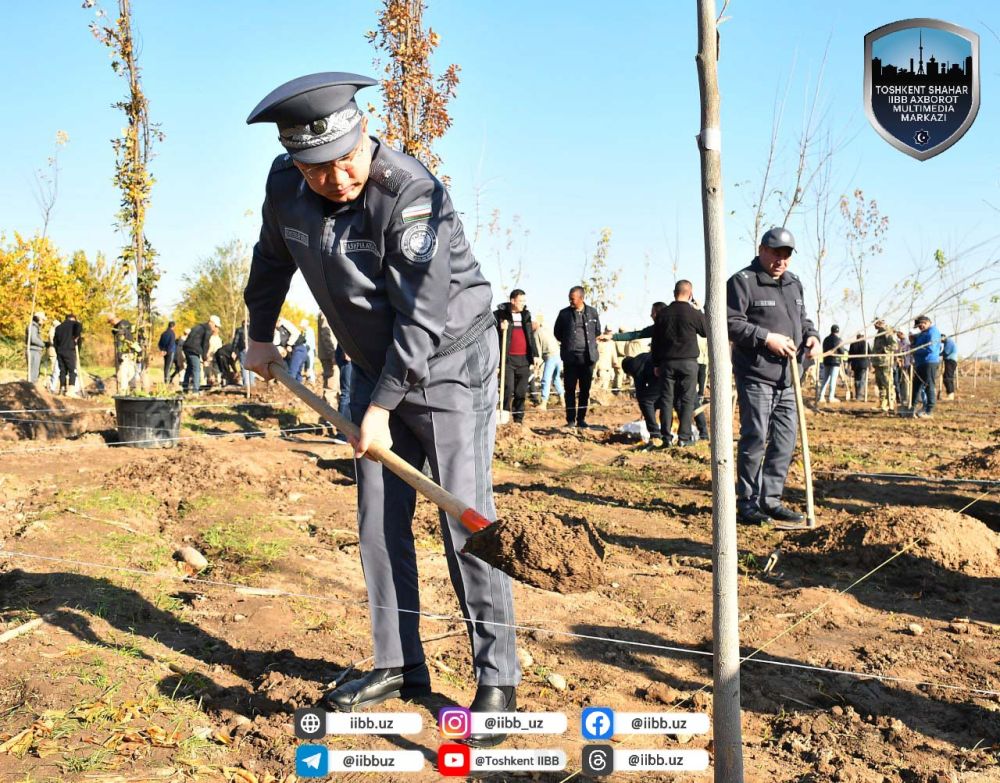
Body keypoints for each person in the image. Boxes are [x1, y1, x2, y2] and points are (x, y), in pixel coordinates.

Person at [242, 72, 518, 744]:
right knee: (377, 518)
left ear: (364, 133)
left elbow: (422, 317)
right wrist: (259, 332)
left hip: (450, 362)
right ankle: (399, 663)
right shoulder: (285, 188)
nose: (336, 179)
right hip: (371, 365)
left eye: (346, 161)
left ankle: (498, 679)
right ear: (293, 161)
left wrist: (380, 408)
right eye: (317, 169)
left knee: (464, 517)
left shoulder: (411, 194)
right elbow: (271, 260)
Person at [727, 227, 820, 530]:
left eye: (786, 255)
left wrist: (813, 337)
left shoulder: (794, 283)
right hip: (756, 375)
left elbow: (803, 320)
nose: (781, 261)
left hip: (790, 378)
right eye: (776, 254)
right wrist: (766, 338)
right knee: (755, 437)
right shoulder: (743, 282)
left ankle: (771, 499)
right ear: (761, 250)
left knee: (784, 440)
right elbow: (730, 323)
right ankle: (748, 502)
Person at [651, 280, 707, 447]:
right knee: (688, 400)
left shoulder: (663, 314)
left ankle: (666, 438)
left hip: (667, 363)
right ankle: (684, 438)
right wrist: (699, 310)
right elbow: (705, 331)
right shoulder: (693, 313)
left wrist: (656, 364)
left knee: (666, 400)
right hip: (689, 362)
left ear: (674, 293)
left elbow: (655, 341)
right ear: (690, 294)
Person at [553, 286, 601, 429]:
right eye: (569, 298)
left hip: (588, 358)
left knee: (585, 390)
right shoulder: (564, 314)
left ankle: (581, 419)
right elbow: (557, 333)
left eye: (572, 299)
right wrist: (569, 342)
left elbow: (597, 331)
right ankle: (570, 420)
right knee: (570, 389)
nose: (570, 301)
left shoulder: (592, 312)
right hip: (570, 358)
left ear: (581, 298)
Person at [494, 289, 538, 425]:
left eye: (524, 301)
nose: (523, 303)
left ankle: (518, 419)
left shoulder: (526, 315)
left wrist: (535, 355)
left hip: (524, 359)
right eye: (521, 301)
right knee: (508, 389)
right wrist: (499, 327)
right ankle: (504, 416)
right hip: (508, 359)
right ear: (513, 301)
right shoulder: (500, 314)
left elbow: (530, 336)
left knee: (521, 391)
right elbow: (490, 332)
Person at [621, 352, 660, 448]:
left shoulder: (634, 367)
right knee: (666, 403)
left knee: (646, 401)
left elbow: (640, 391)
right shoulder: (640, 358)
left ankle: (655, 434)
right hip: (666, 371)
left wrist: (645, 411)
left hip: (659, 375)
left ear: (627, 370)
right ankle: (667, 434)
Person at [909, 314, 941, 418]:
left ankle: (929, 411)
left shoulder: (933, 332)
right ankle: (912, 408)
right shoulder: (923, 333)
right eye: (918, 326)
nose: (920, 327)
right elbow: (917, 340)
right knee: (916, 386)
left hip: (929, 362)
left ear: (927, 322)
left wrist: (915, 350)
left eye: (921, 325)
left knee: (928, 385)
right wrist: (913, 340)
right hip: (920, 363)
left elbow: (930, 349)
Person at [182, 315, 219, 394]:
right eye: (216, 326)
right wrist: (205, 358)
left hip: (186, 348)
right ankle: (196, 391)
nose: (215, 328)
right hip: (194, 350)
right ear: (211, 323)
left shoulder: (198, 326)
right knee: (197, 369)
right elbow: (205, 344)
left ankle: (185, 388)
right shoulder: (207, 329)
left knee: (189, 368)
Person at [534, 314, 563, 411]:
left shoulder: (536, 333)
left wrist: (536, 365)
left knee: (545, 379)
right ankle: (563, 400)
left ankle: (543, 403)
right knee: (556, 378)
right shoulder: (547, 330)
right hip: (558, 355)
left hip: (550, 356)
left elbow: (537, 352)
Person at [53, 313, 83, 395]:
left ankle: (62, 388)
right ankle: (71, 390)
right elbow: (79, 326)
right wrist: (76, 336)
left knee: (62, 370)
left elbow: (55, 341)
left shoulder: (58, 327)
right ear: (73, 319)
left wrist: (57, 351)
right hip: (70, 350)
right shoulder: (74, 324)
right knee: (72, 370)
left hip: (60, 351)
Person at [871, 319, 896, 413]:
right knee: (880, 384)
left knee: (888, 383)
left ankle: (890, 404)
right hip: (878, 362)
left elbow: (894, 345)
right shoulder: (879, 333)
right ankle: (883, 404)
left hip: (885, 362)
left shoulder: (887, 331)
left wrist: (883, 350)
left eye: (875, 323)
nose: (874, 325)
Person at [107, 314, 137, 393]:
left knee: (123, 373)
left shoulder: (120, 328)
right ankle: (132, 389)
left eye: (110, 322)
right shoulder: (127, 323)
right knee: (131, 371)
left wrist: (119, 354)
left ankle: (124, 391)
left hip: (124, 353)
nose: (111, 325)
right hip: (131, 351)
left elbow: (120, 342)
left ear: (113, 320)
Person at [817, 325, 844, 403]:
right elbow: (842, 351)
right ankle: (831, 397)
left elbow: (824, 349)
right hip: (835, 362)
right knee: (833, 379)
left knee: (825, 379)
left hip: (826, 361)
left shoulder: (826, 339)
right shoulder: (839, 340)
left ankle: (821, 396)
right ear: (838, 331)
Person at [316, 311, 338, 393]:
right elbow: (326, 335)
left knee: (332, 385)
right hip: (330, 356)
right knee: (332, 387)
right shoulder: (325, 313)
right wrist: (333, 354)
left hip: (329, 354)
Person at [848, 332, 870, 400]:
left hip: (855, 364)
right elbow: (870, 353)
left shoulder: (853, 344)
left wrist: (849, 363)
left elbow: (850, 355)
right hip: (863, 364)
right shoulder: (865, 344)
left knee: (857, 379)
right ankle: (859, 396)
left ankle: (857, 394)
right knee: (862, 380)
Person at [27, 312, 46, 383]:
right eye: (42, 319)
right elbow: (34, 339)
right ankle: (31, 385)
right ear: (38, 318)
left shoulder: (35, 327)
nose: (43, 322)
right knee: (33, 371)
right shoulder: (33, 326)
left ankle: (32, 384)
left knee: (35, 370)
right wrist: (43, 344)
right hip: (33, 350)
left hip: (35, 350)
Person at [941, 333, 958, 399]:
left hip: (950, 361)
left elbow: (946, 352)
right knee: (946, 377)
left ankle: (950, 395)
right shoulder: (946, 342)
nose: (940, 341)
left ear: (943, 337)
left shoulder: (949, 342)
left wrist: (937, 354)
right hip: (949, 361)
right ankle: (950, 394)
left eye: (940, 339)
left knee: (948, 377)